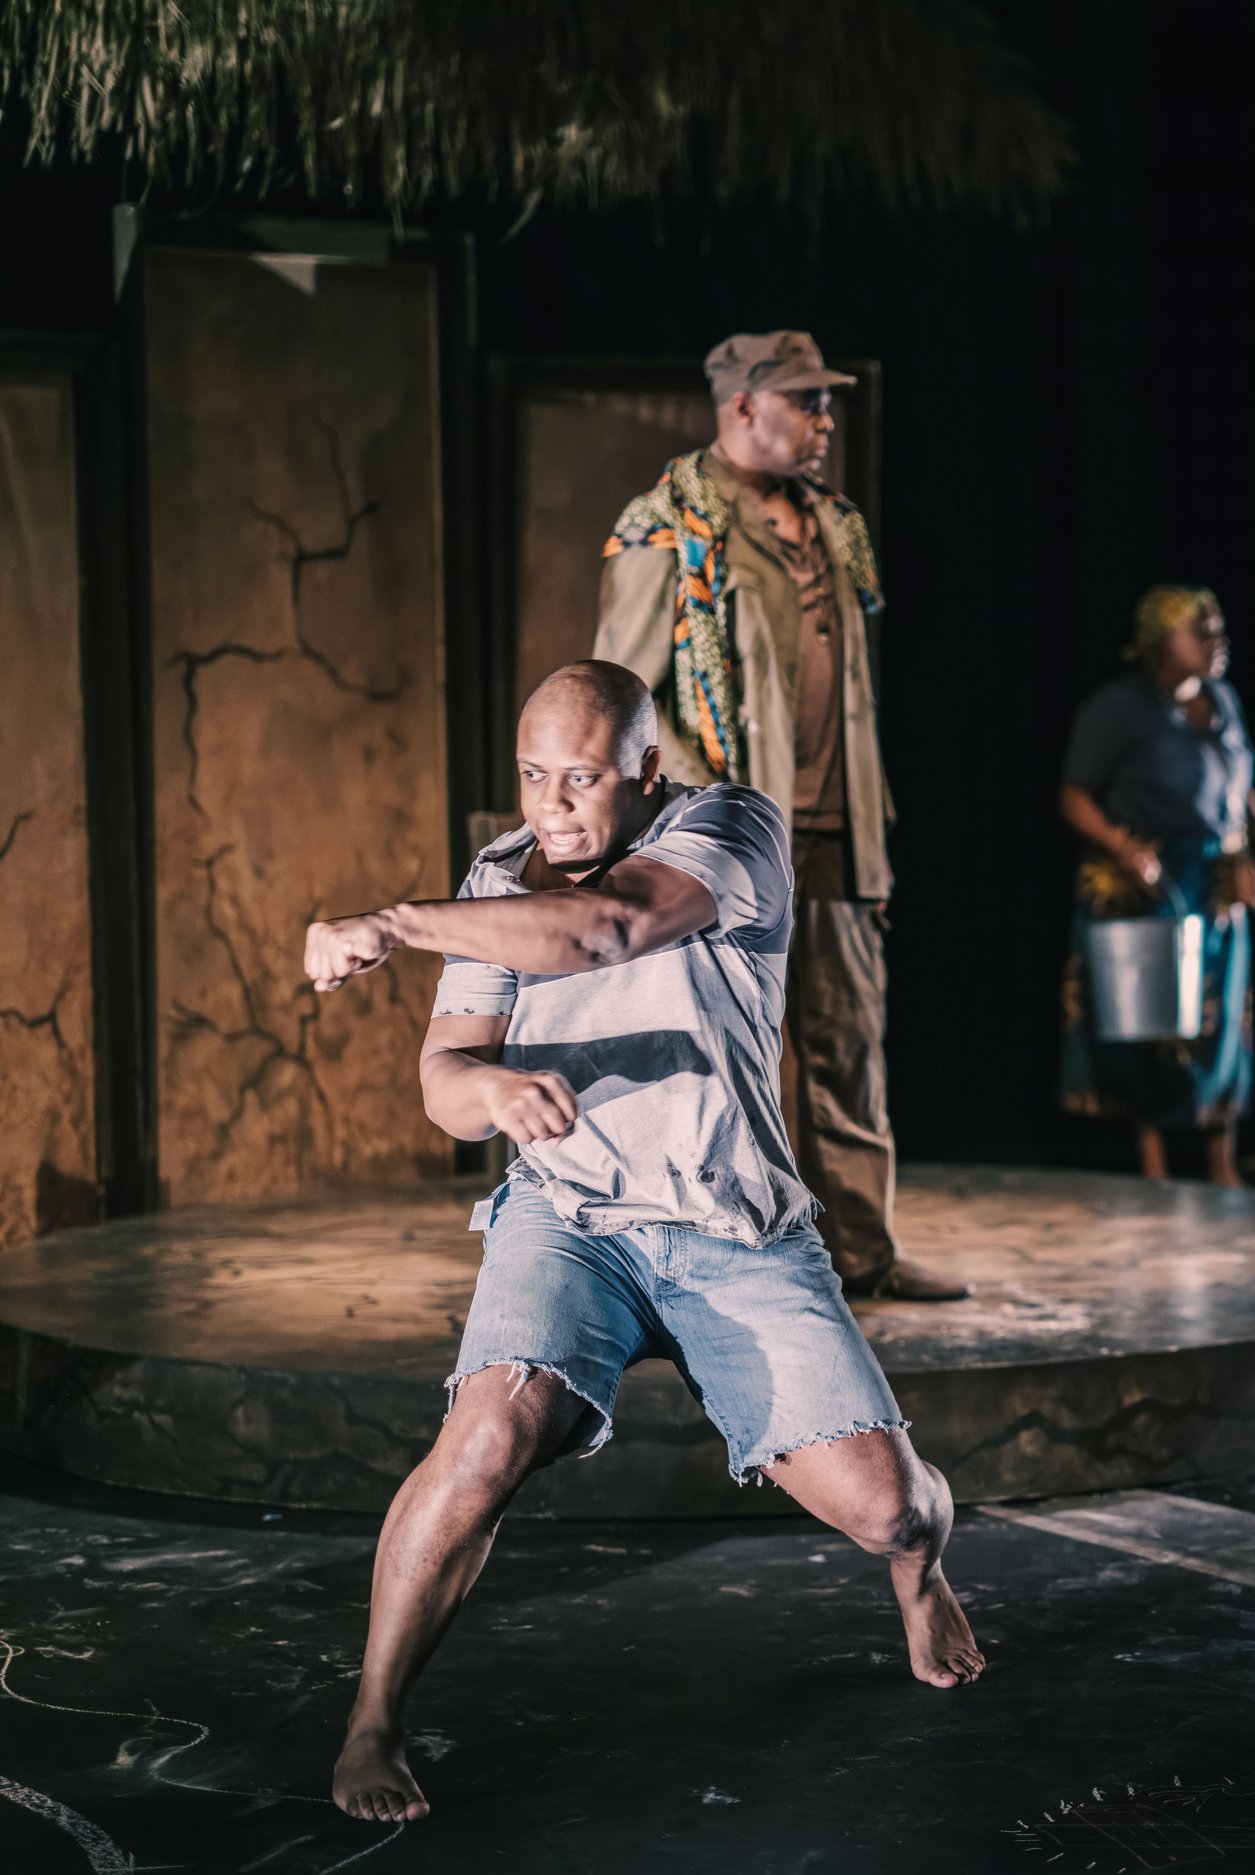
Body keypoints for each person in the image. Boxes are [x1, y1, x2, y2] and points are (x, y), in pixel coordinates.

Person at [306, 662, 985, 1826]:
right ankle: (372, 1719)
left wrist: (391, 922)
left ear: (646, 771)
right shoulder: (493, 880)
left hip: (732, 1227)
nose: (553, 807)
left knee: (888, 1510)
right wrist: (495, 1096)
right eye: (532, 776)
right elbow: (442, 1078)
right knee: (484, 1436)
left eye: (583, 779)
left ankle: (922, 1577)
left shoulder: (731, 825)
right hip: (570, 1223)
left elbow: (610, 927)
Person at [595, 331, 963, 1300]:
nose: (824, 421)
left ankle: (864, 1254)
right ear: (742, 407)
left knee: (851, 1047)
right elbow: (625, 697)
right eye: (805, 402)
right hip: (734, 846)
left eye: (825, 403)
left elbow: (856, 698)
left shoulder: (833, 528)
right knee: (730, 1055)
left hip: (838, 834)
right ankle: (729, 1266)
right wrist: (697, 815)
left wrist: (873, 836)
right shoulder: (665, 530)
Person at [1058, 586, 1255, 1185]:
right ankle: (1152, 1165)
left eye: (1219, 628)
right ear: (1158, 642)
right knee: (1152, 1021)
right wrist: (1124, 848)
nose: (1217, 641)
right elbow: (1073, 797)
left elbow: (1240, 789)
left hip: (1215, 878)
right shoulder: (1118, 709)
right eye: (1200, 630)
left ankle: (1220, 1163)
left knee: (1221, 1018)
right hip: (1148, 879)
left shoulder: (1222, 699)